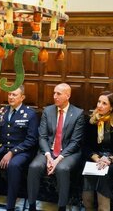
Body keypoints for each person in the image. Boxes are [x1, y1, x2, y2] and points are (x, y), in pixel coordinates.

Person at [27, 83, 85, 211]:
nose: (55, 96)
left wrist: (58, 159)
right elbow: (42, 136)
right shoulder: (48, 111)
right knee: (34, 167)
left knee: (62, 169)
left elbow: (75, 142)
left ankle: (62, 207)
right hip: (48, 150)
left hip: (68, 152)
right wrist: (48, 156)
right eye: (54, 93)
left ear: (67, 96)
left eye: (58, 94)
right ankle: (31, 206)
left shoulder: (78, 113)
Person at [82, 91, 113, 211]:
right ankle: (89, 207)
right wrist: (96, 158)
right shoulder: (91, 121)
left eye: (104, 103)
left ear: (111, 107)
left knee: (104, 174)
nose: (99, 106)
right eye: (99, 102)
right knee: (88, 173)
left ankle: (104, 209)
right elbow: (85, 146)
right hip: (95, 159)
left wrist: (109, 159)